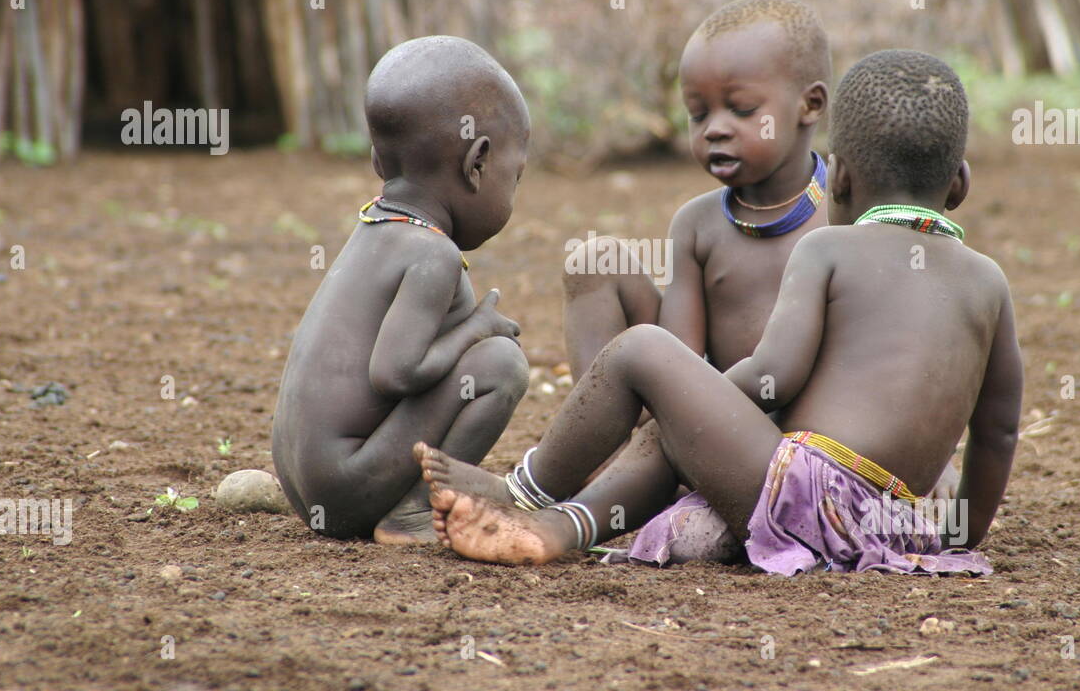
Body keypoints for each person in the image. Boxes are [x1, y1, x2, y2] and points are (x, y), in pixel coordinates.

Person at [417, 49, 1022, 575]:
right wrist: (955, 537)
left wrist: (691, 399)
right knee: (678, 435)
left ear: (838, 179)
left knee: (643, 350)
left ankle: (526, 493)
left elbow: (774, 375)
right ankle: (560, 528)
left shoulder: (827, 248)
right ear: (959, 183)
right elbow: (996, 431)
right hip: (900, 526)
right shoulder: (989, 282)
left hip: (812, 498)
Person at [272, 36, 530, 543]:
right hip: (347, 484)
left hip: (308, 485)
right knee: (501, 365)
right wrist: (478, 327)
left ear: (376, 160)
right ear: (477, 163)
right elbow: (396, 372)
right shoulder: (431, 254)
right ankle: (411, 515)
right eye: (514, 176)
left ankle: (402, 505)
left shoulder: (373, 232)